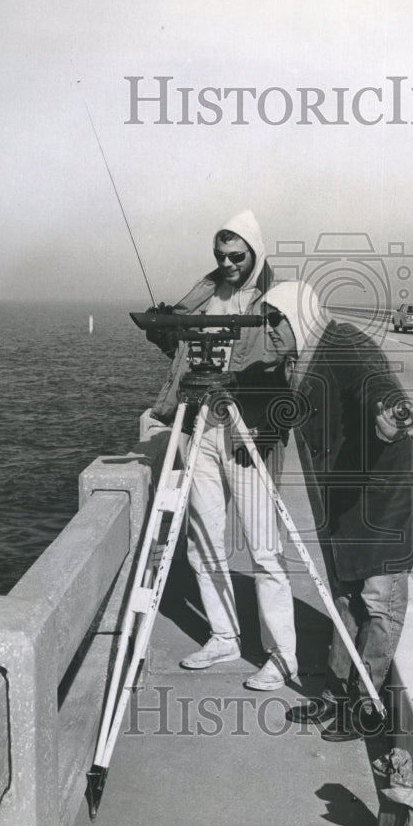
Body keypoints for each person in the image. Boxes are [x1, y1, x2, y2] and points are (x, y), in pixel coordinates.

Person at [258, 281, 413, 739]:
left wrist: (394, 411)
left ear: (299, 314)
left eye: (275, 319)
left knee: (379, 605)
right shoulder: (303, 356)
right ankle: (335, 696)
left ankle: (365, 706)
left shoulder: (343, 342)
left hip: (387, 497)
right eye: (266, 319)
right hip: (350, 501)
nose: (268, 329)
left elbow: (377, 383)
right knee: (345, 597)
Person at [145, 210, 299, 691]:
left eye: (237, 255)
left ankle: (281, 657)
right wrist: (165, 328)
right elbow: (183, 352)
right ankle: (223, 635)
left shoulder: (274, 295)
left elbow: (285, 350)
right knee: (203, 539)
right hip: (199, 427)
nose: (228, 263)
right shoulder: (205, 291)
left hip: (246, 428)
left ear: (255, 252)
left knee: (264, 550)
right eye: (220, 255)